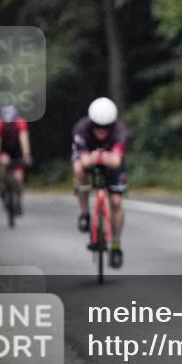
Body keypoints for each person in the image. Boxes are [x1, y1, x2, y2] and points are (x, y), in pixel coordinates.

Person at [71, 97, 128, 268]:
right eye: (97, 127)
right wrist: (101, 157)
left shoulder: (120, 130)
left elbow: (117, 161)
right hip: (89, 160)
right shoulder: (81, 129)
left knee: (116, 202)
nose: (102, 131)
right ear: (91, 122)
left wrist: (98, 157)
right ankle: (84, 213)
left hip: (110, 166)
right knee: (79, 170)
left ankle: (116, 243)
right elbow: (85, 161)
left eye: (106, 128)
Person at [0, 105, 32, 214]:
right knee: (3, 165)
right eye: (7, 123)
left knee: (18, 178)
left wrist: (26, 155)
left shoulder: (21, 123)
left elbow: (24, 140)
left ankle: (18, 200)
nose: (9, 125)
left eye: (11, 123)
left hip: (16, 149)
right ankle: (2, 188)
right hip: (4, 149)